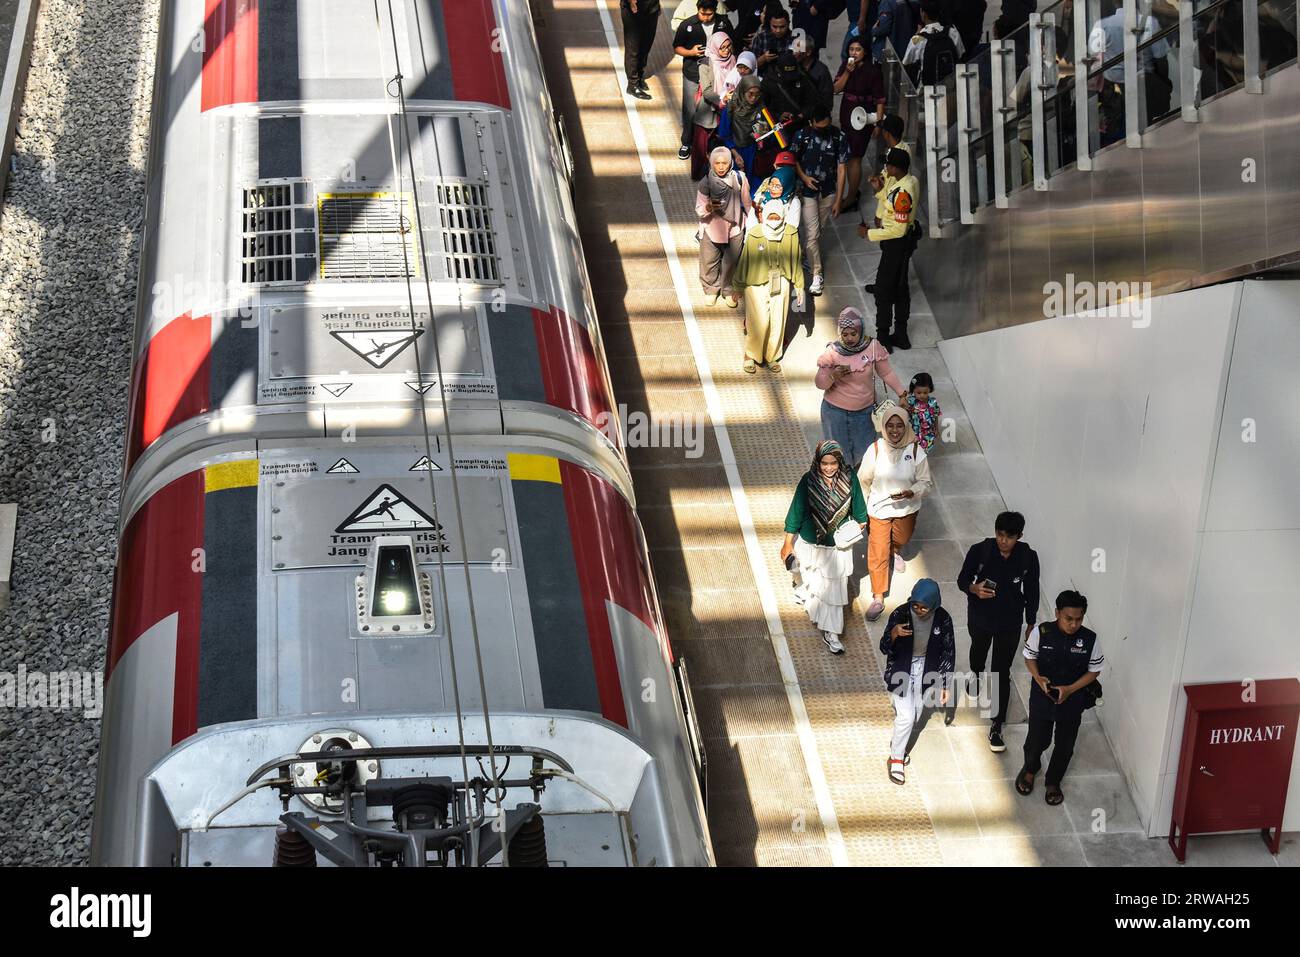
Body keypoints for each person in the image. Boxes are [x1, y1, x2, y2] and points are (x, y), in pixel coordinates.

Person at [957, 511, 1041, 753]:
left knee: (1001, 672)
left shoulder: (1028, 558)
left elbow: (1033, 590)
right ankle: (975, 674)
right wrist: (975, 589)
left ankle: (996, 724)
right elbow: (962, 579)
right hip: (980, 617)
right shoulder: (980, 551)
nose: (1003, 541)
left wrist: (1031, 623)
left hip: (1010, 623)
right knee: (978, 653)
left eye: (1010, 536)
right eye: (1000, 535)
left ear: (1020, 536)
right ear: (995, 532)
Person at [780, 439, 868, 654]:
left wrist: (848, 531)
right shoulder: (807, 482)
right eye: (824, 463)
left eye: (833, 463)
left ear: (840, 462)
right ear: (817, 462)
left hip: (837, 549)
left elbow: (861, 515)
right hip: (810, 543)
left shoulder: (850, 480)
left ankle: (831, 633)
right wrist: (787, 543)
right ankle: (799, 585)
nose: (829, 468)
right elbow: (795, 514)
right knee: (807, 577)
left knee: (833, 594)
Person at [1017, 591, 1104, 805]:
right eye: (1068, 618)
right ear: (1057, 613)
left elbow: (1094, 671)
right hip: (1042, 697)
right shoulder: (1041, 632)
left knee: (1065, 745)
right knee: (1037, 740)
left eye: (1078, 619)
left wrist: (1071, 689)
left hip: (1072, 701)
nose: (1073, 624)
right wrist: (1038, 678)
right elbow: (1029, 657)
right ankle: (1030, 768)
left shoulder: (1090, 640)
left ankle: (1053, 781)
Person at [858, 400, 932, 620]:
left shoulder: (916, 450)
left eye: (899, 425)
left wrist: (912, 491)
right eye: (890, 425)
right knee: (877, 551)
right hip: (879, 510)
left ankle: (895, 550)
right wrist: (862, 511)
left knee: (901, 537)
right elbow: (863, 480)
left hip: (906, 509)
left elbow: (926, 482)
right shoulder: (876, 449)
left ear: (906, 426)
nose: (895, 430)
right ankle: (878, 597)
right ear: (883, 426)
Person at [880, 578, 955, 784]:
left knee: (916, 714)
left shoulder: (943, 619)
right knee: (906, 717)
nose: (919, 610)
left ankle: (899, 741)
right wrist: (894, 633)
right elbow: (884, 647)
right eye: (916, 605)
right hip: (902, 668)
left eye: (924, 607)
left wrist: (946, 683)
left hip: (926, 670)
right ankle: (896, 758)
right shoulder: (900, 614)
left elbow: (948, 652)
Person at [815, 307, 906, 468]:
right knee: (838, 452)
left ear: (861, 330)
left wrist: (902, 393)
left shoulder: (872, 347)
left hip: (865, 412)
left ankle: (858, 479)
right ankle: (843, 480)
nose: (849, 338)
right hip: (835, 412)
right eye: (845, 334)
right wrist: (833, 376)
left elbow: (887, 373)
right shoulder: (832, 352)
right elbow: (820, 383)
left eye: (853, 333)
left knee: (864, 451)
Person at [733, 199, 805, 373]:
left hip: (781, 281)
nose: (774, 221)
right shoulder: (755, 233)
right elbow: (745, 261)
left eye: (777, 218)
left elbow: (796, 260)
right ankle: (751, 354)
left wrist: (799, 286)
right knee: (759, 320)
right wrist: (738, 287)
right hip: (755, 283)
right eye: (770, 217)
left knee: (778, 320)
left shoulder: (791, 233)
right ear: (764, 216)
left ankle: (772, 355)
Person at [859, 147, 919, 350]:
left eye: (888, 164)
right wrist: (879, 192)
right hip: (901, 245)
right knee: (901, 288)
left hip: (897, 245)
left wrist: (869, 234)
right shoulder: (909, 182)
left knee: (884, 291)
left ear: (895, 167)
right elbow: (893, 206)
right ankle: (900, 334)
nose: (886, 167)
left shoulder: (903, 193)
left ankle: (883, 338)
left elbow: (898, 230)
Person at [791, 107, 846, 294]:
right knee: (813, 234)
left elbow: (841, 169)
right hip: (808, 191)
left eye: (826, 126)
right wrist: (804, 178)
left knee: (816, 232)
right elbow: (794, 159)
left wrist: (839, 200)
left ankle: (808, 256)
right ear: (811, 123)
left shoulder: (838, 136)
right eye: (819, 127)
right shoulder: (802, 136)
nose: (823, 130)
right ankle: (817, 274)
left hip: (828, 192)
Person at [674, 1, 738, 159]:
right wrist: (691, 52)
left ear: (715, 11)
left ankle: (713, 143)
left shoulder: (724, 23)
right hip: (693, 73)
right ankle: (686, 142)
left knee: (714, 109)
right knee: (689, 108)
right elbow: (677, 47)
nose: (705, 17)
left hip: (716, 75)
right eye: (702, 13)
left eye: (709, 14)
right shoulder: (687, 24)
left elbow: (732, 43)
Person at [833, 37, 886, 215]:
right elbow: (836, 89)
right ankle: (852, 192)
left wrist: (878, 123)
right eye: (851, 49)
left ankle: (851, 196)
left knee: (855, 157)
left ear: (865, 52)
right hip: (847, 112)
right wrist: (847, 72)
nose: (854, 53)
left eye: (858, 49)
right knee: (847, 155)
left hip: (863, 116)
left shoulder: (873, 71)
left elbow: (880, 100)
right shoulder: (845, 67)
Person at [696, 147, 752, 307]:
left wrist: (753, 223)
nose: (721, 167)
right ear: (711, 163)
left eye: (724, 163)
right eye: (717, 163)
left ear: (730, 163)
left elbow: (747, 203)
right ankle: (711, 289)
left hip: (735, 228)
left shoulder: (739, 178)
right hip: (712, 228)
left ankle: (727, 289)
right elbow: (699, 209)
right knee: (709, 261)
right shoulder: (706, 182)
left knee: (731, 261)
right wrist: (710, 207)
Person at [689, 31, 739, 179]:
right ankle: (699, 174)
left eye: (728, 46)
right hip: (708, 111)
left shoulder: (733, 60)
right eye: (722, 48)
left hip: (729, 109)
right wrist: (722, 100)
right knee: (701, 145)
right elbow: (707, 91)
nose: (726, 50)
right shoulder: (705, 64)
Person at [902, 0, 964, 86]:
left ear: (923, 14)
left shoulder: (917, 39)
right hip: (951, 87)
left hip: (927, 90)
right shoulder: (952, 32)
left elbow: (907, 63)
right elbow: (960, 54)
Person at [718, 74, 768, 173]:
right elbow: (724, 134)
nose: (754, 98)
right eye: (750, 94)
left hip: (751, 150)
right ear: (742, 91)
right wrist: (736, 155)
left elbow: (763, 130)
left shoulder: (760, 107)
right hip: (733, 150)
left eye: (757, 94)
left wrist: (760, 137)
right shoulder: (731, 108)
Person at [620, 0, 662, 99]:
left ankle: (639, 76)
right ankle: (632, 85)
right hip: (633, 9)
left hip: (652, 8)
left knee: (646, 45)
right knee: (633, 48)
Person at [751, 150, 802, 227]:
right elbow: (757, 201)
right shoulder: (767, 181)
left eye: (788, 166)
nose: (784, 169)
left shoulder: (796, 184)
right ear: (774, 165)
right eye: (781, 166)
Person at [791, 28, 834, 115]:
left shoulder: (821, 71)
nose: (794, 53)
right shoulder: (793, 67)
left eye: (797, 50)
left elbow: (827, 101)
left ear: (808, 52)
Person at [750, 3, 796, 77]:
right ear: (770, 24)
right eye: (774, 27)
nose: (778, 30)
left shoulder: (795, 39)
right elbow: (750, 65)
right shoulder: (761, 37)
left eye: (782, 27)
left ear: (788, 24)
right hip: (765, 79)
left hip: (789, 79)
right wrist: (763, 58)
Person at [870, 0, 916, 66]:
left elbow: (883, 29)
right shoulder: (908, 2)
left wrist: (874, 30)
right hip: (904, 51)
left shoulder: (886, 3)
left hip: (888, 52)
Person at [904, 372, 941, 451]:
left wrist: (936, 428)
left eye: (925, 393)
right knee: (911, 451)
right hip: (912, 432)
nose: (922, 395)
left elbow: (935, 415)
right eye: (919, 392)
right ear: (913, 390)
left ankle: (922, 462)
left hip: (927, 433)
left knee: (924, 451)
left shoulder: (932, 403)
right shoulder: (910, 401)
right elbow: (904, 414)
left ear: (930, 390)